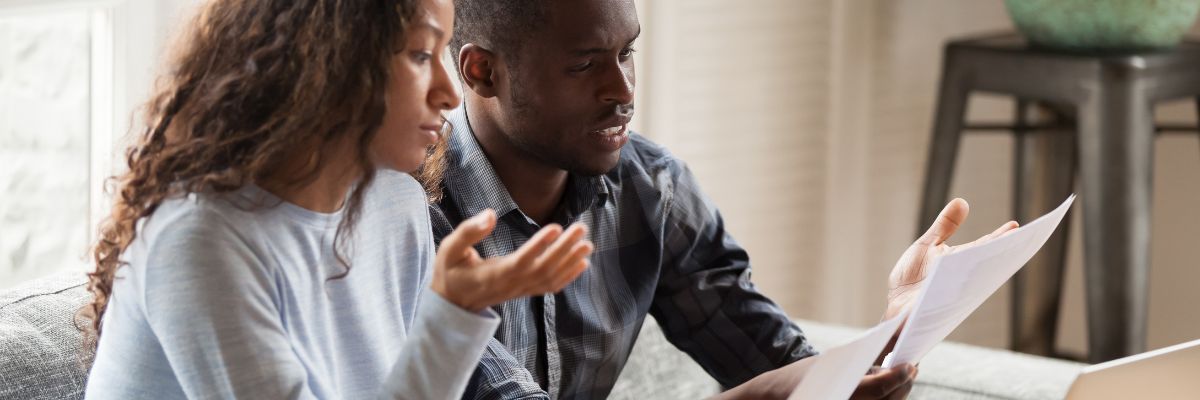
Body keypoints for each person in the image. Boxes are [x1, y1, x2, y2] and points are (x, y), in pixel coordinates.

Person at [420, 0, 1019, 398]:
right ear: (481, 72)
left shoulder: (652, 187)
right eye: (585, 66)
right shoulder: (417, 218)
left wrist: (900, 326)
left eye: (627, 53)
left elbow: (780, 365)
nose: (623, 90)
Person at [81, 0, 593, 398]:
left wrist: (454, 311)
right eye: (420, 54)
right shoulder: (200, 241)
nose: (451, 93)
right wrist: (451, 316)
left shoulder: (396, 206)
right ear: (330, 58)